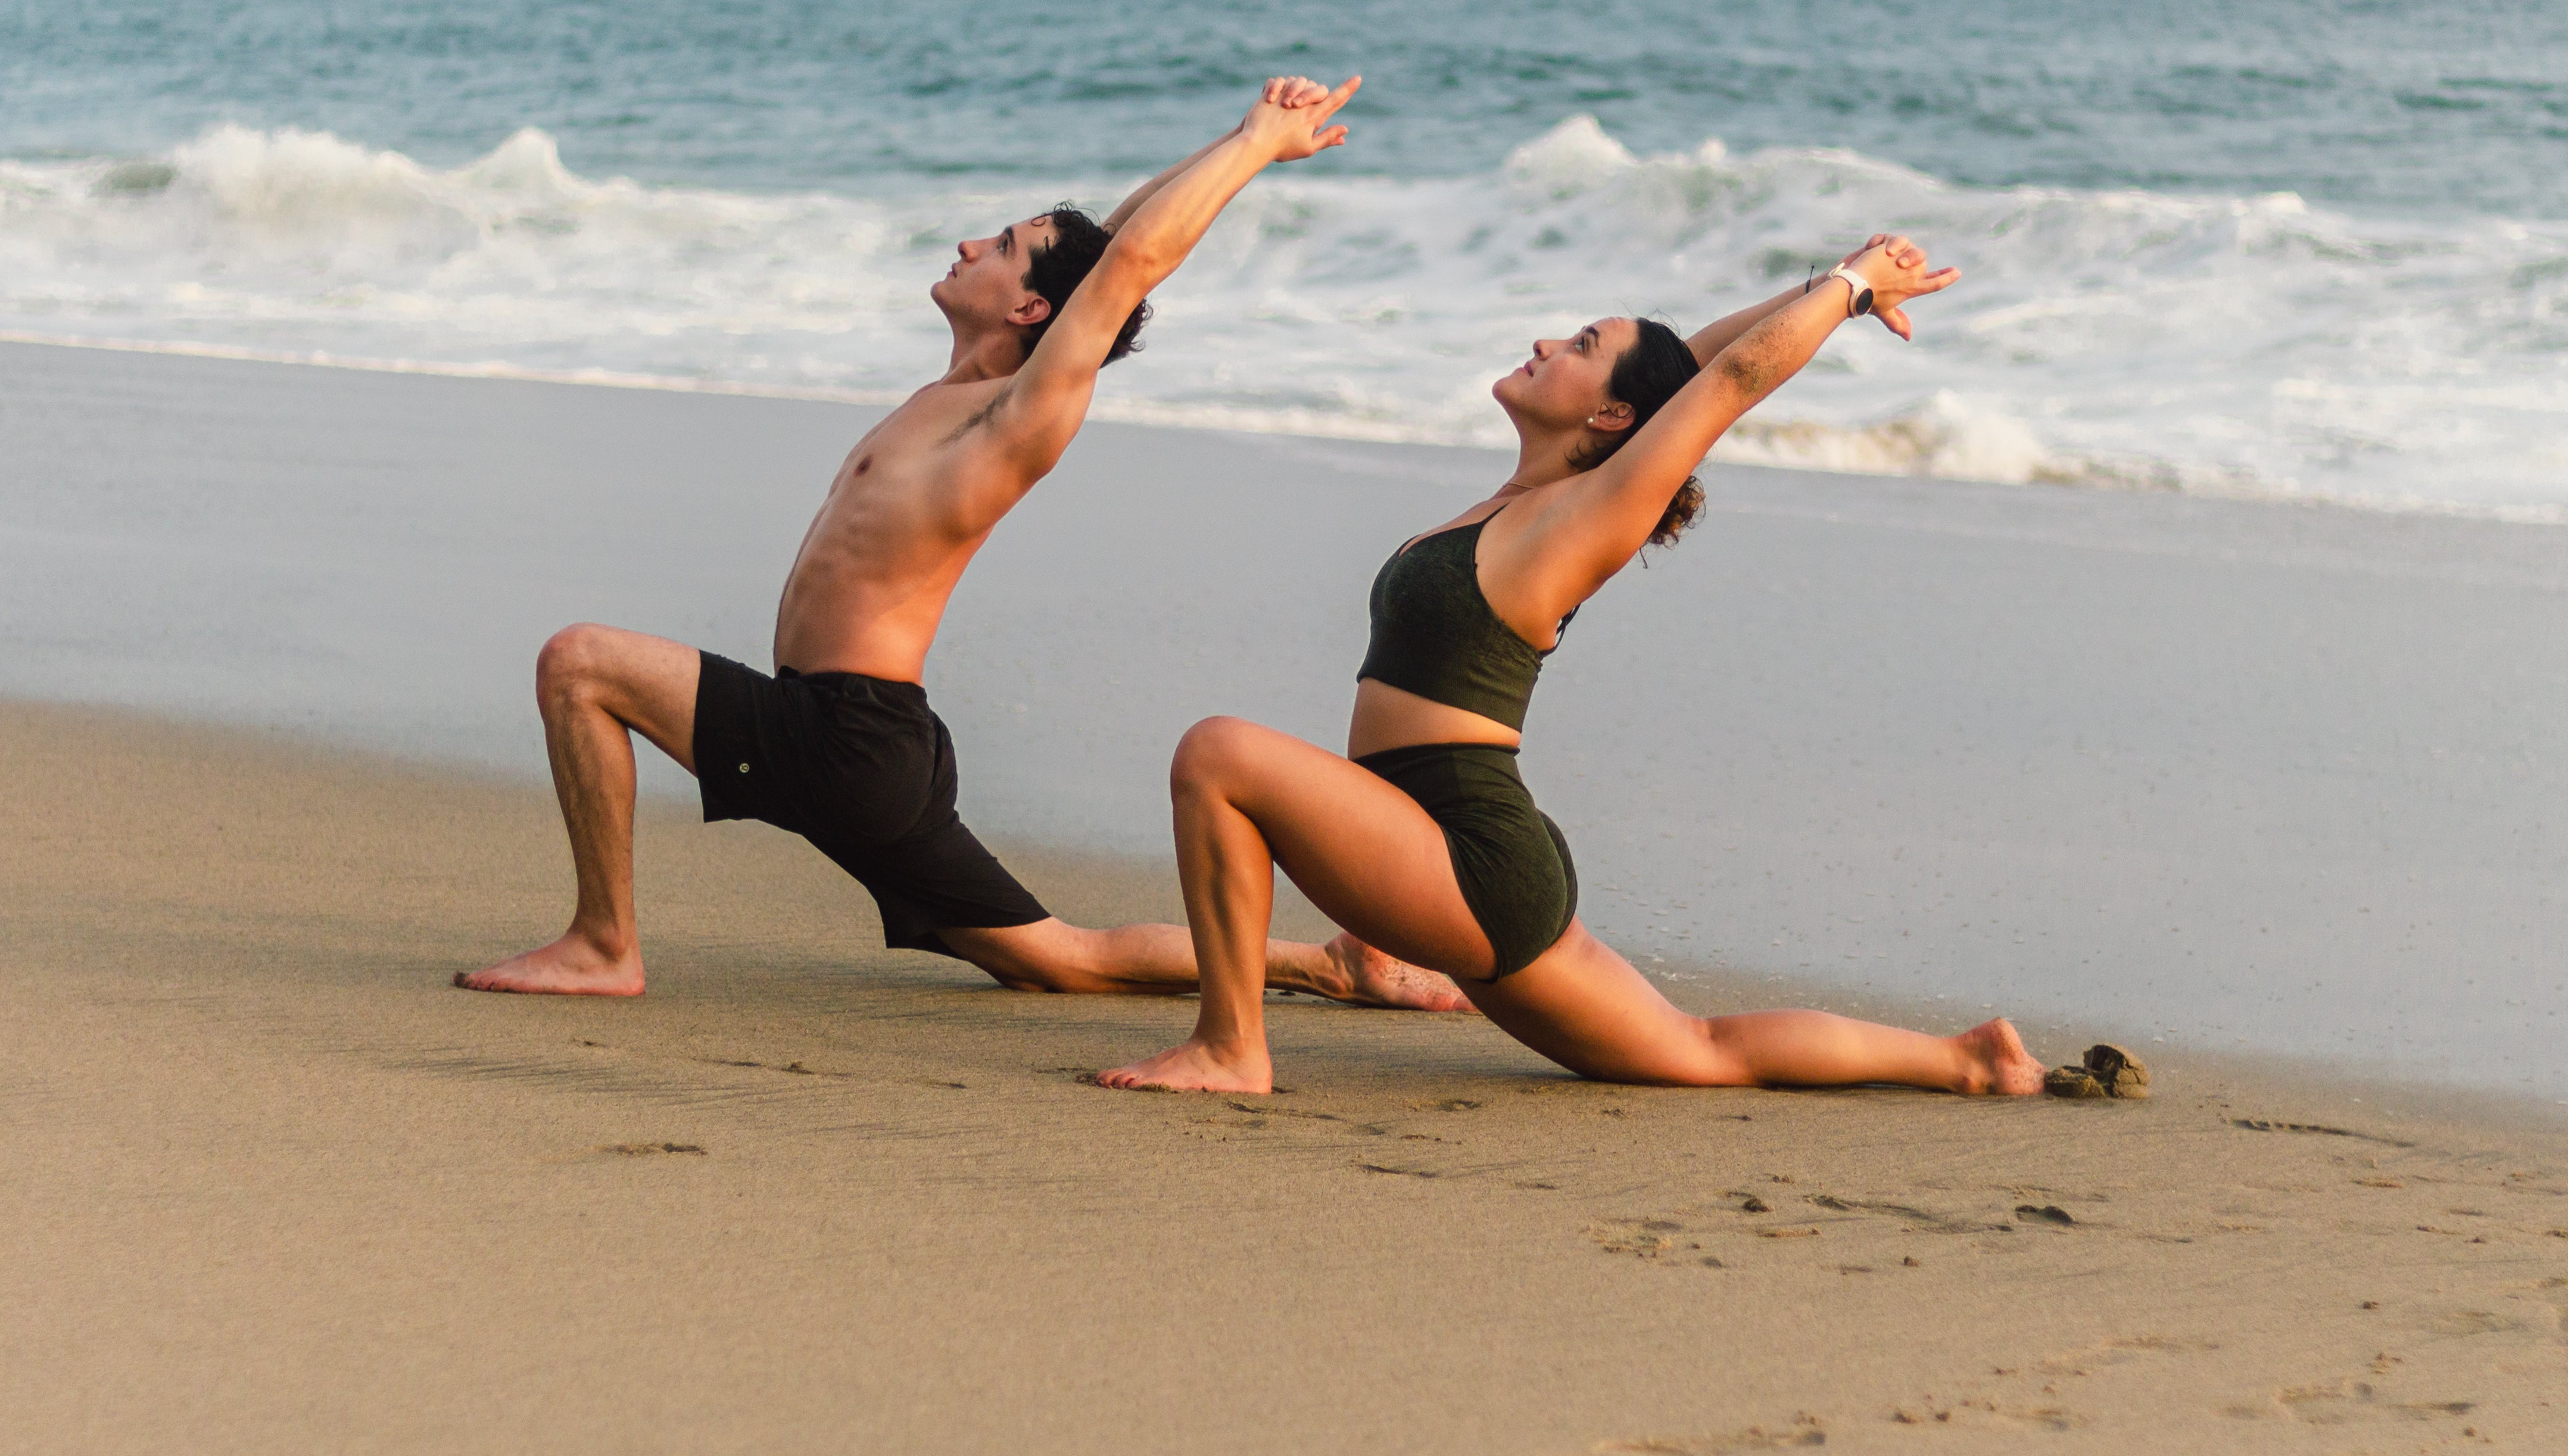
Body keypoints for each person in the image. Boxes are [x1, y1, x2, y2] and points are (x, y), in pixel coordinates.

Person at [459, 76, 1463, 1012]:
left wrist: (1252, 150)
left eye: (1000, 243)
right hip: (872, 744)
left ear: (1031, 308)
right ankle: (1329, 963)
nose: (968, 241)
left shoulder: (1015, 420)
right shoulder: (963, 397)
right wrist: (1237, 136)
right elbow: (1106, 247)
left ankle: (604, 943)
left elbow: (1127, 265)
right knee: (1059, 958)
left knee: (579, 664)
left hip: (840, 735)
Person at [1096, 233, 2052, 1095]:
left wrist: (1850, 289)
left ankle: (1232, 1047)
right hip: (1444, 842)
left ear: (1612, 414)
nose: (1549, 343)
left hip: (1470, 856)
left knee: (1217, 754)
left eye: (1581, 348)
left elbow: (1724, 385)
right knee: (1697, 1050)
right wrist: (1819, 282)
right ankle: (1968, 1059)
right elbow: (1703, 361)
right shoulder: (1519, 502)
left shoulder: (1578, 522)